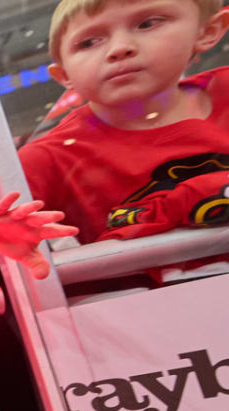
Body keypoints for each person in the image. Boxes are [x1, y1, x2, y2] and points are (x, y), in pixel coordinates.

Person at [19, 0, 228, 250]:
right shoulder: (44, 161)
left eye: (148, 23)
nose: (119, 49)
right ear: (64, 75)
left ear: (208, 30)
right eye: (88, 42)